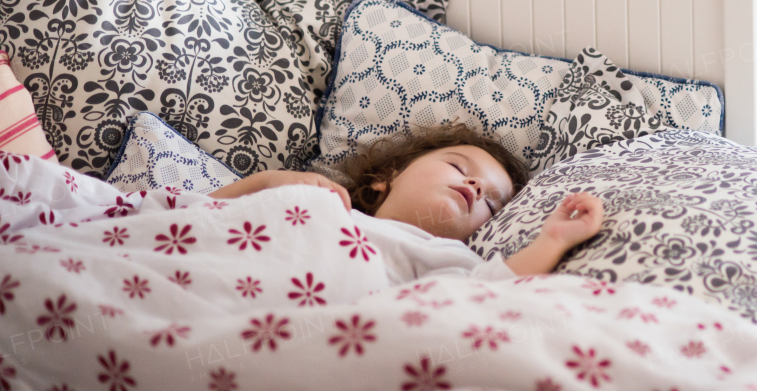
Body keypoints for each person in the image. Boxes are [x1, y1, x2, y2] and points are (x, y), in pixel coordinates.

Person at [209, 124, 603, 281]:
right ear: (386, 178)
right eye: (456, 165)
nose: (475, 186)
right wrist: (268, 181)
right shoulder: (326, 203)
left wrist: (554, 239)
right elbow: (196, 214)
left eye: (492, 203)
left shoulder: (442, 257)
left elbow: (493, 288)